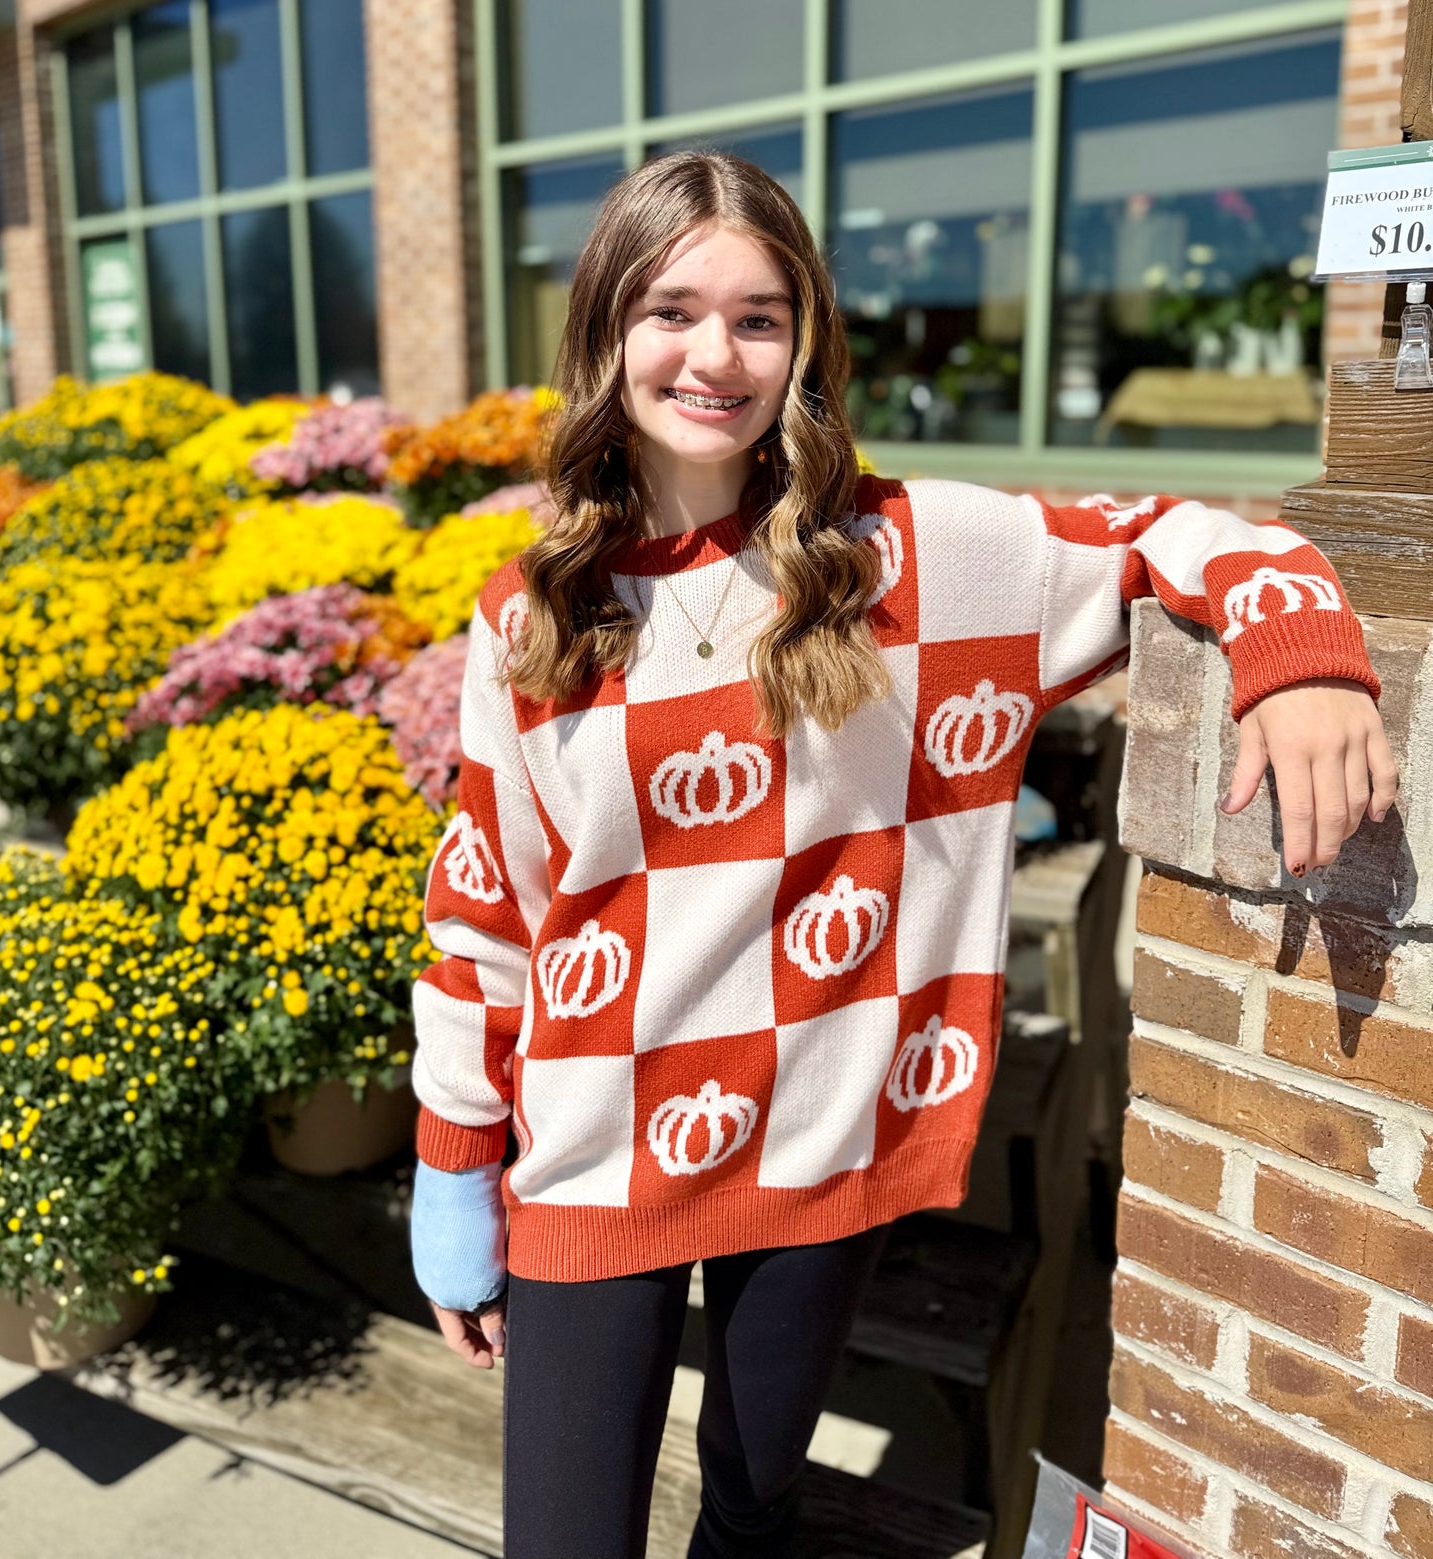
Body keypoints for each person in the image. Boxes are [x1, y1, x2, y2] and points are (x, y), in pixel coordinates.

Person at [407, 151, 1396, 1559]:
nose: (715, 356)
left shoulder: (914, 556)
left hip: (825, 1122)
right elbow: (484, 913)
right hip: (592, 1135)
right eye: (671, 310)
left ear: (805, 342)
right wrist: (455, 1159)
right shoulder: (530, 616)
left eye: (758, 318)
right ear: (604, 332)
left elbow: (1180, 534)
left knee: (753, 1503)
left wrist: (1304, 659)